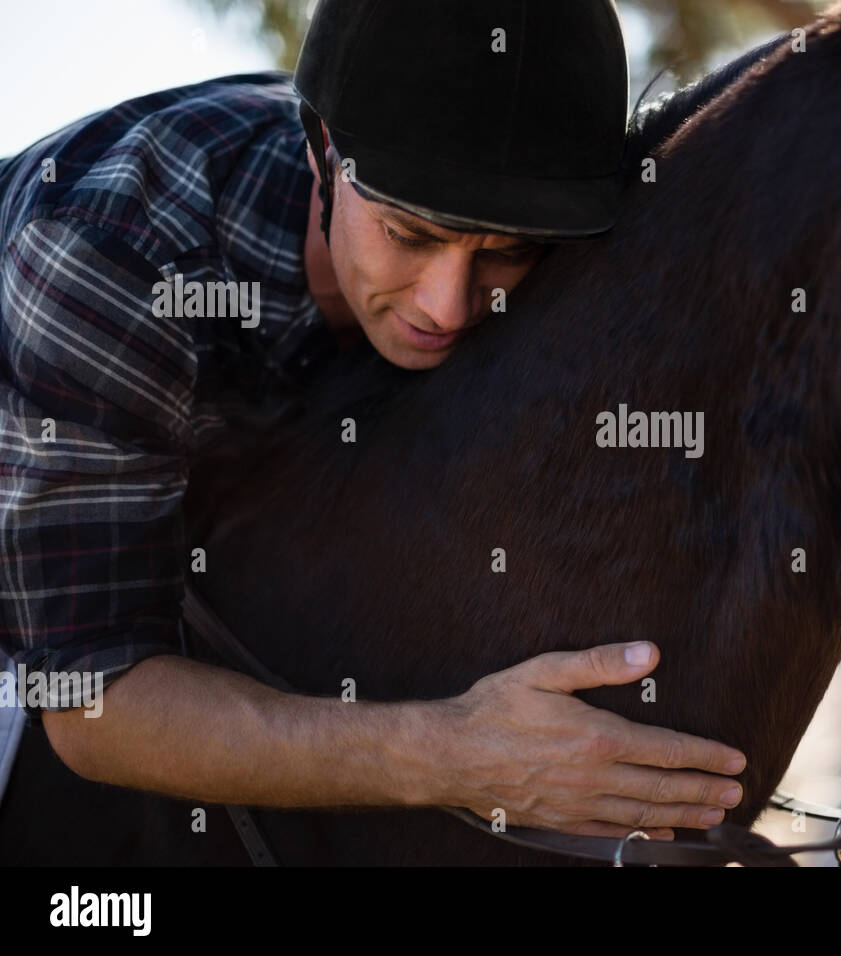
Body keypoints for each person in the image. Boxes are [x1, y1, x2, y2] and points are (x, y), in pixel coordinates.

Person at [0, 0, 744, 846]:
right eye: (408, 234)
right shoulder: (112, 251)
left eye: (505, 251)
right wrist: (461, 757)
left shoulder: (454, 169)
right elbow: (91, 703)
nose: (449, 306)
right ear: (322, 149)